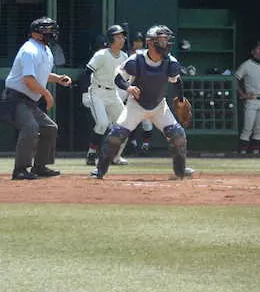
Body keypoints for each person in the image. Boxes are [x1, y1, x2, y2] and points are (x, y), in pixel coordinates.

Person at [91, 26, 192, 180]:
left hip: (159, 106)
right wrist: (128, 87)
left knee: (178, 136)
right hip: (136, 106)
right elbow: (118, 77)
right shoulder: (136, 60)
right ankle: (100, 170)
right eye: (161, 40)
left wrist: (181, 99)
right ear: (150, 42)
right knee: (115, 137)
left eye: (166, 39)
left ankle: (180, 171)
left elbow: (177, 81)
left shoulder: (171, 62)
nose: (165, 43)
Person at [1, 17, 71, 180]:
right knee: (30, 127)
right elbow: (29, 79)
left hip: (28, 101)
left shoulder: (45, 50)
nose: (51, 33)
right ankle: (20, 169)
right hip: (14, 99)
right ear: (36, 33)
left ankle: (40, 166)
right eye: (47, 30)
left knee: (49, 127)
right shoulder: (29, 49)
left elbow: (41, 74)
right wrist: (47, 94)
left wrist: (58, 78)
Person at [78, 25, 129, 166]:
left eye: (122, 37)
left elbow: (122, 79)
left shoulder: (124, 56)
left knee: (125, 124)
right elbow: (86, 74)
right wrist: (84, 93)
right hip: (97, 92)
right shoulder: (101, 55)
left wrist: (128, 89)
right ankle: (92, 153)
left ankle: (115, 156)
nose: (122, 39)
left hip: (113, 93)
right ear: (111, 39)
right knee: (102, 123)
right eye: (118, 37)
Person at [235, 42, 260, 155]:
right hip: (252, 99)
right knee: (248, 128)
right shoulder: (246, 65)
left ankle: (256, 152)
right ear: (253, 52)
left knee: (259, 128)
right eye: (258, 49)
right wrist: (243, 94)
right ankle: (243, 152)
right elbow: (235, 79)